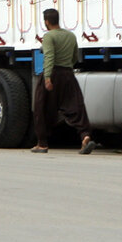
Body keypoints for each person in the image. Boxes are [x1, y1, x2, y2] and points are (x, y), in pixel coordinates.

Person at [30, 8, 94, 155]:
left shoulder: (49, 37)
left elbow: (49, 57)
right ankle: (85, 136)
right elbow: (74, 57)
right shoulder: (71, 36)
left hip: (53, 74)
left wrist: (47, 78)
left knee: (41, 107)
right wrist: (68, 68)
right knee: (75, 106)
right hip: (68, 74)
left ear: (46, 21)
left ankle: (42, 144)